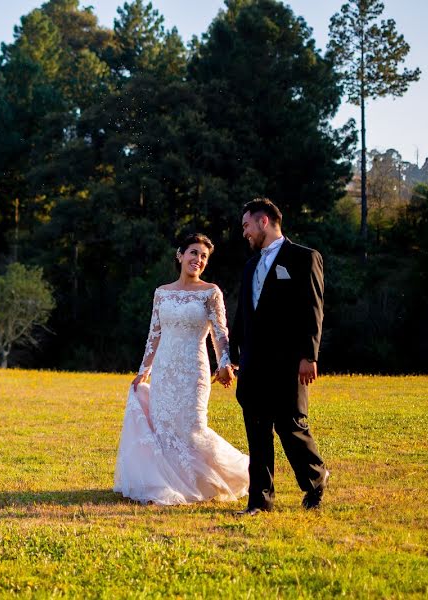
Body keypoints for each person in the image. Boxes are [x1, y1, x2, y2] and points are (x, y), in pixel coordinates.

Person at [113, 233, 249, 505]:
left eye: (203, 256)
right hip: (164, 369)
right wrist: (144, 370)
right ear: (180, 255)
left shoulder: (211, 292)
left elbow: (220, 335)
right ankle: (170, 483)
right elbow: (155, 334)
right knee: (165, 428)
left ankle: (241, 473)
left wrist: (224, 364)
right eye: (193, 253)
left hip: (194, 370)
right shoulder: (162, 293)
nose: (197, 259)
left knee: (194, 428)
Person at [229, 198, 329, 516]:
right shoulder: (250, 266)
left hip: (288, 362)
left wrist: (308, 356)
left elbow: (313, 309)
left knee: (291, 427)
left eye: (246, 225)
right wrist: (233, 356)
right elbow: (243, 315)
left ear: (264, 221)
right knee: (257, 432)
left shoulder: (304, 258)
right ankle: (260, 501)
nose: (243, 232)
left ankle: (315, 481)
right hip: (253, 365)